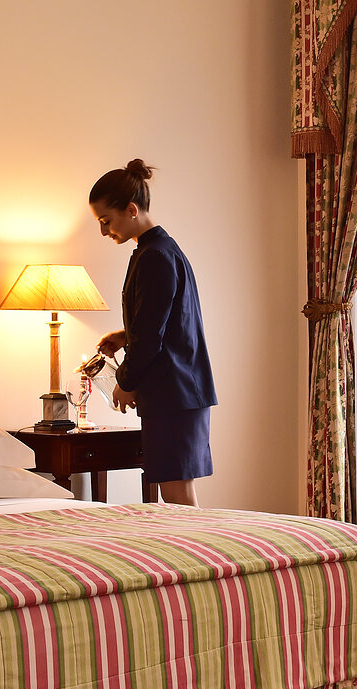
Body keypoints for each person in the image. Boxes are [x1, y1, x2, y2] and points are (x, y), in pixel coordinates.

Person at [90, 159, 216, 506]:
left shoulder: (154, 256)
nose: (103, 231)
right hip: (179, 389)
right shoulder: (158, 250)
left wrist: (126, 381)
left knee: (175, 494)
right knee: (175, 492)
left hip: (175, 391)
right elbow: (165, 319)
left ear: (131, 210)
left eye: (105, 221)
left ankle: (195, 545)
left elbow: (150, 336)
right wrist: (125, 334)